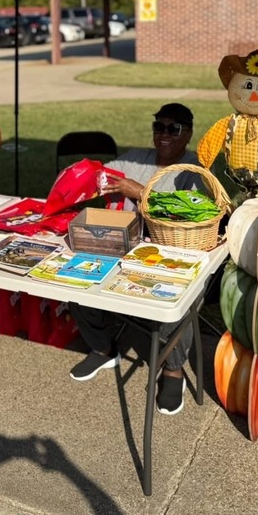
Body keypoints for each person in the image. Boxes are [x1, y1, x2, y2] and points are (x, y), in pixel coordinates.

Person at [68, 102, 202, 417]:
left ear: (188, 134)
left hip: (167, 252)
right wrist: (84, 179)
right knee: (73, 277)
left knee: (179, 295)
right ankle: (103, 348)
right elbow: (101, 176)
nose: (164, 134)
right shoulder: (136, 157)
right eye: (159, 127)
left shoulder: (193, 170)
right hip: (120, 246)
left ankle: (173, 371)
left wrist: (138, 192)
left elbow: (185, 212)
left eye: (174, 129)